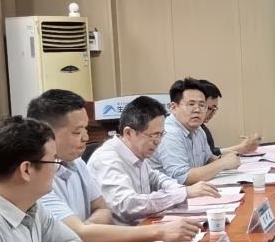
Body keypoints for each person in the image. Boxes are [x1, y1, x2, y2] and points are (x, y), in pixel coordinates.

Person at [27, 89, 203, 242]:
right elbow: (82, 233)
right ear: (47, 133)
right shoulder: (38, 177)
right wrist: (160, 231)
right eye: (77, 132)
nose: (86, 137)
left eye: (86, 129)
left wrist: (87, 229)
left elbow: (103, 210)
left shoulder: (77, 162)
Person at [88, 95, 217, 224]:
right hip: (124, 233)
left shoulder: (136, 153)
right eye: (153, 135)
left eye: (161, 134)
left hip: (143, 225)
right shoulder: (108, 159)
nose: (158, 141)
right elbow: (126, 204)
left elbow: (156, 178)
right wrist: (183, 193)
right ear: (128, 133)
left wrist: (180, 190)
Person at [154, 78, 246, 184]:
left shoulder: (198, 129)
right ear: (173, 107)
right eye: (191, 104)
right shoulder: (169, 133)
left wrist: (226, 159)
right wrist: (223, 163)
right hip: (169, 192)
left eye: (202, 105)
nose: (197, 110)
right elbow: (182, 178)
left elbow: (207, 159)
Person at [199, 79, 261, 158]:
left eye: (215, 109)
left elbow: (210, 152)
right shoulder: (188, 131)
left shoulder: (202, 129)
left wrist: (243, 148)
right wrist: (242, 148)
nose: (213, 113)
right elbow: (207, 157)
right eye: (211, 108)